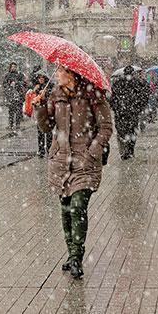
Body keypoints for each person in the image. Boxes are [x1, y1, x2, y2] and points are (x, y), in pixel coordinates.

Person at [33, 66, 113, 279]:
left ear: (71, 75)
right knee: (66, 208)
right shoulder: (55, 95)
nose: (57, 74)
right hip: (61, 159)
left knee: (78, 206)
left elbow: (106, 127)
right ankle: (71, 253)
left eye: (60, 71)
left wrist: (92, 151)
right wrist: (40, 107)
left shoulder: (92, 95)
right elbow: (46, 127)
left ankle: (76, 255)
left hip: (84, 161)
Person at [110, 66, 149, 159]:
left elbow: (112, 98)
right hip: (132, 113)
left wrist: (116, 108)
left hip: (121, 113)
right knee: (132, 132)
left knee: (122, 132)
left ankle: (124, 151)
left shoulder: (117, 83)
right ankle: (130, 151)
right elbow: (144, 96)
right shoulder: (137, 83)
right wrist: (138, 107)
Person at [32, 71, 53, 157]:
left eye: (42, 78)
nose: (40, 79)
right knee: (40, 131)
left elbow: (52, 98)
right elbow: (32, 99)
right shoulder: (36, 87)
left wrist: (46, 95)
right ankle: (41, 150)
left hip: (47, 111)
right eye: (39, 78)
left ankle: (49, 148)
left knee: (48, 131)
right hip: (39, 111)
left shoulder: (49, 86)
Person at [2, 62, 27, 131]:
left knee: (18, 111)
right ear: (10, 67)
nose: (13, 68)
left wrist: (17, 83)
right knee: (11, 111)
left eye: (14, 67)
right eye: (12, 67)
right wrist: (9, 86)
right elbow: (4, 84)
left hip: (19, 95)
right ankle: (11, 124)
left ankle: (18, 124)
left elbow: (24, 83)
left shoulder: (20, 74)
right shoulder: (7, 75)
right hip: (11, 96)